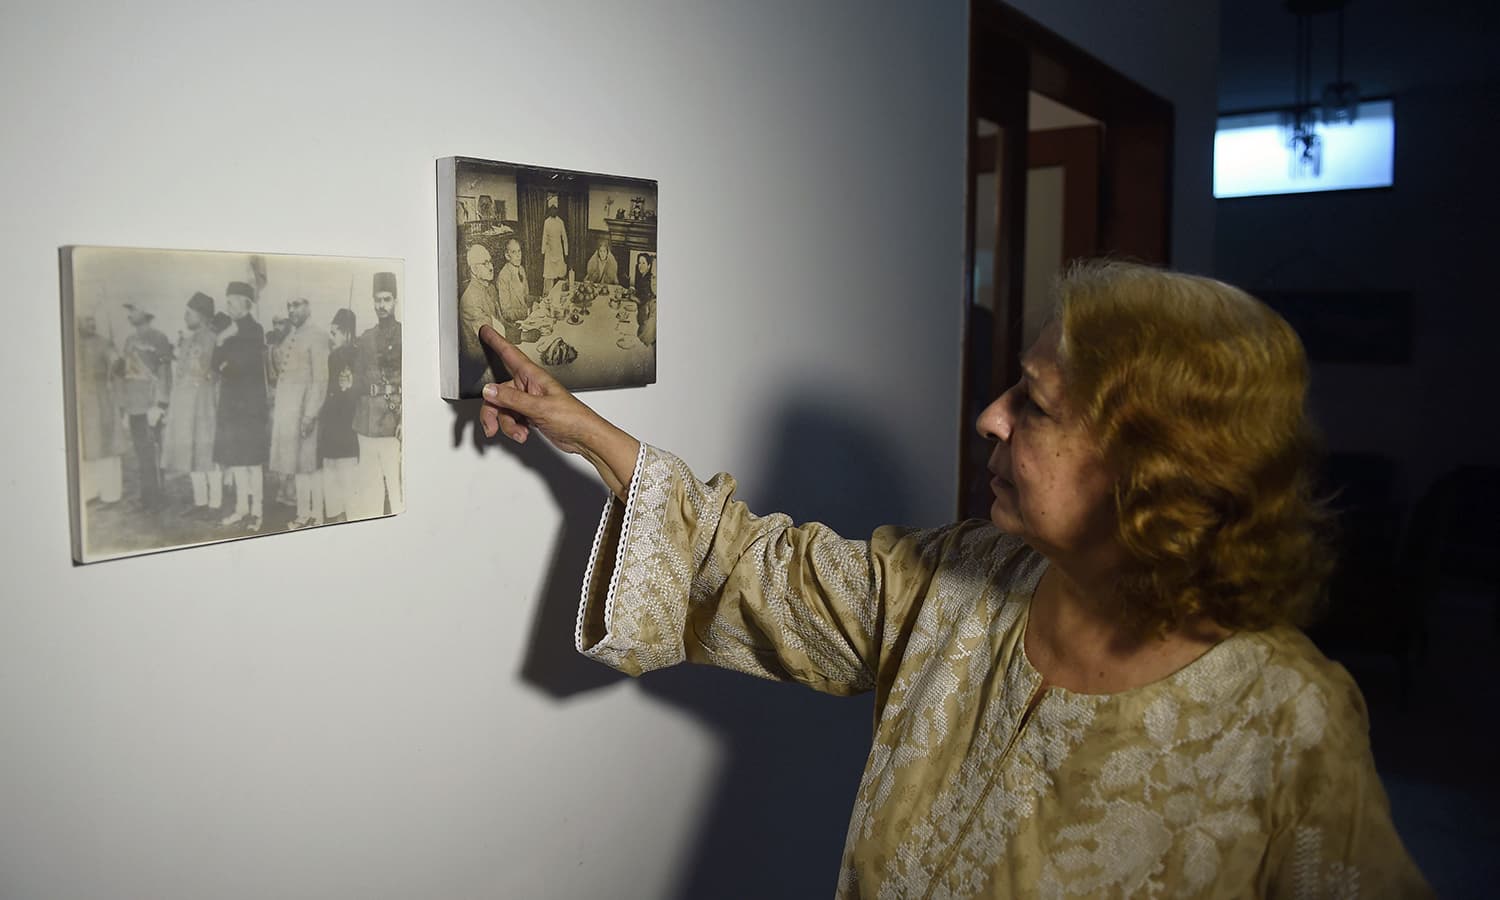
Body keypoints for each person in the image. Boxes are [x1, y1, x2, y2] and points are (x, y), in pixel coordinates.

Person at [473, 260, 1430, 897]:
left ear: (1156, 467)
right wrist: (588, 432)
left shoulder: (1286, 716)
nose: (989, 416)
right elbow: (760, 568)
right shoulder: (964, 578)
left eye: (1037, 404)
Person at [212, 281, 270, 531]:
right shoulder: (227, 330)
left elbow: (241, 366)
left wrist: (227, 358)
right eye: (227, 301)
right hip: (231, 406)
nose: (229, 306)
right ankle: (241, 509)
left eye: (233, 301)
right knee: (236, 460)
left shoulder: (255, 330)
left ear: (246, 303)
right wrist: (222, 343)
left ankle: (257, 511)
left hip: (251, 407)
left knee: (252, 462)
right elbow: (216, 363)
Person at [268, 297, 329, 530]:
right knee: (300, 468)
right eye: (289, 306)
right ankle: (304, 515)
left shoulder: (318, 335)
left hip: (305, 413)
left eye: (297, 305)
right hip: (290, 414)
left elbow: (320, 380)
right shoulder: (292, 336)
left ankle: (316, 516)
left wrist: (310, 414)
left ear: (308, 306)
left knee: (310, 467)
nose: (291, 310)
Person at [161, 291, 220, 515]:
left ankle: (214, 504)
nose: (185, 317)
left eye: (189, 313)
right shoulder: (186, 340)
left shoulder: (214, 339)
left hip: (206, 405)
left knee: (208, 452)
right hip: (186, 407)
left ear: (202, 315)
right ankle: (200, 502)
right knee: (193, 454)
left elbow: (215, 374)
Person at [349, 271, 402, 518]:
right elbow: (358, 380)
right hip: (367, 422)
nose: (381, 305)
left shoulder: (404, 335)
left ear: (395, 301)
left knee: (397, 487)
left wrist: (404, 420)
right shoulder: (366, 338)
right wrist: (348, 381)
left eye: (387, 299)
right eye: (377, 300)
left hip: (392, 421)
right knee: (370, 488)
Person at [119, 303, 173, 510]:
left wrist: (160, 404)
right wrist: (125, 406)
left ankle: (158, 496)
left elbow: (165, 370)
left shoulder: (158, 338)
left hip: (150, 403)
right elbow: (126, 375)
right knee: (141, 453)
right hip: (134, 404)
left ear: (146, 313)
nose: (130, 314)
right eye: (130, 311)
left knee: (154, 451)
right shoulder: (129, 340)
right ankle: (147, 495)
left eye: (134, 310)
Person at [74, 312, 125, 507]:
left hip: (101, 399)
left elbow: (118, 366)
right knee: (86, 446)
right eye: (88, 320)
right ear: (77, 322)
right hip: (81, 401)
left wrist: (116, 357)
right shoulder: (72, 343)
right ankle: (90, 492)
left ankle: (111, 494)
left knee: (106, 445)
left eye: (93, 319)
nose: (92, 323)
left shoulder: (104, 342)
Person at [319, 308, 359, 524]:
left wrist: (351, 385)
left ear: (347, 333)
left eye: (335, 332)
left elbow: (358, 394)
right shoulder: (332, 357)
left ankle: (351, 521)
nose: (331, 337)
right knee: (331, 482)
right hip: (331, 430)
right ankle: (335, 519)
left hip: (349, 431)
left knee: (348, 483)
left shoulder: (357, 356)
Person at [459, 243, 504, 391]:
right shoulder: (470, 299)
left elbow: (500, 320)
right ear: (474, 269)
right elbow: (492, 335)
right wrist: (522, 334)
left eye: (490, 261)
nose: (491, 267)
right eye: (485, 263)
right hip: (481, 370)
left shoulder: (490, 288)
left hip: (494, 356)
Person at [496, 237, 531, 327]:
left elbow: (524, 297)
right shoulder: (503, 276)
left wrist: (539, 299)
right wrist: (527, 312)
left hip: (527, 319)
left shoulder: (521, 269)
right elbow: (506, 313)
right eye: (514, 252)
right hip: (515, 325)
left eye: (519, 251)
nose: (518, 256)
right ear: (507, 256)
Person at [541, 193, 569, 293]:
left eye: (555, 208)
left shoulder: (560, 222)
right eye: (552, 208)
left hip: (559, 250)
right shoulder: (546, 222)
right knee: (549, 276)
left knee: (561, 274)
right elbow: (544, 236)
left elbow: (564, 238)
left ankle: (562, 294)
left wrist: (566, 252)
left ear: (557, 210)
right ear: (549, 210)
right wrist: (543, 250)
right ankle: (547, 297)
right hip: (549, 251)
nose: (554, 211)